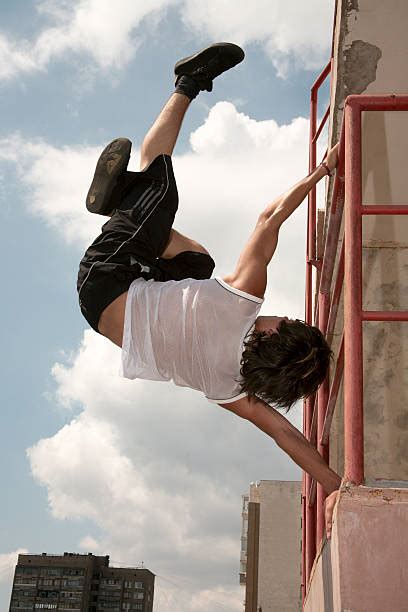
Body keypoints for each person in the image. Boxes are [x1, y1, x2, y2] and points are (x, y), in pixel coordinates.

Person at [77, 42, 342, 537]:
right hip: (102, 310)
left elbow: (270, 218)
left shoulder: (241, 301)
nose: (276, 315)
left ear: (268, 337)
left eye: (281, 323)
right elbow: (287, 436)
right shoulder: (230, 391)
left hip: (109, 273)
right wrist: (335, 486)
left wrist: (323, 169)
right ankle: (127, 206)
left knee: (160, 182)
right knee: (199, 263)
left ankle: (188, 82)